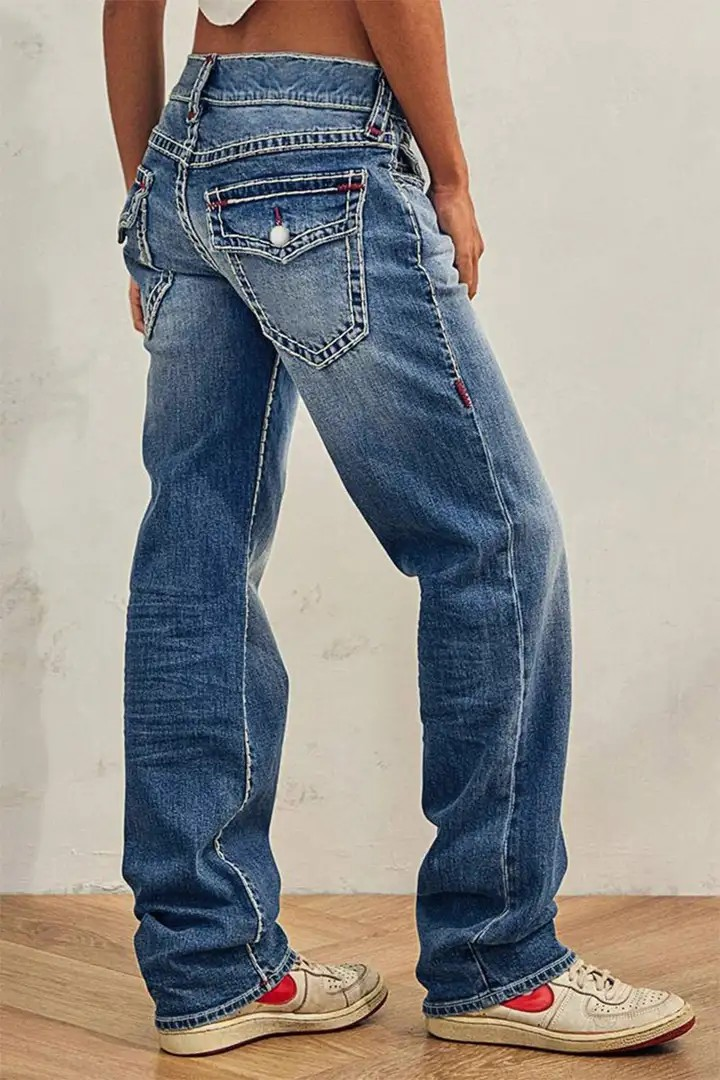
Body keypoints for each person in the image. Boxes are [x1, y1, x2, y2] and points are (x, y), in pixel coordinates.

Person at [103, 0, 695, 1058]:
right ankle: (497, 963)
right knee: (495, 539)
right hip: (320, 145)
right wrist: (452, 174)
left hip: (182, 152)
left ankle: (211, 969)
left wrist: (145, 193)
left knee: (194, 564)